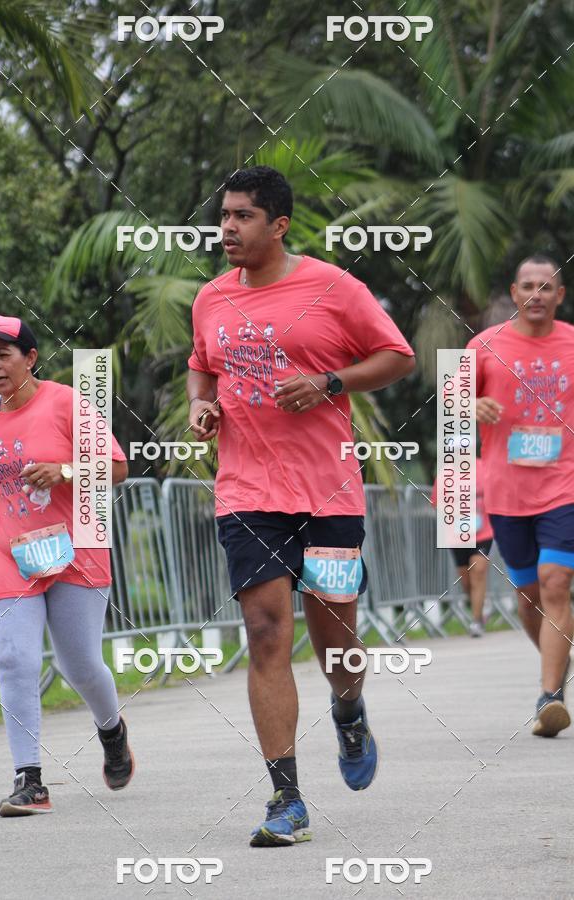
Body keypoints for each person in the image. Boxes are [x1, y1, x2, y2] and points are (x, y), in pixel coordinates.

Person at [187, 166, 415, 846]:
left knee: (334, 631)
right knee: (265, 631)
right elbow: (203, 363)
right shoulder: (210, 298)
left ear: (278, 225)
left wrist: (327, 382)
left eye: (243, 216)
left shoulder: (331, 287)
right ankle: (286, 797)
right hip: (248, 492)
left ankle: (348, 710)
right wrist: (201, 402)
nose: (227, 227)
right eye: (223, 215)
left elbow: (396, 356)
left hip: (330, 489)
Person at [0, 314, 134, 815]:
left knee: (79, 665)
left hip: (74, 547)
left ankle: (111, 730)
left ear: (31, 358)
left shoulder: (66, 401)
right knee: (15, 661)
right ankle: (30, 780)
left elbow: (118, 465)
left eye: (4, 355)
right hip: (8, 551)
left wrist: (65, 470)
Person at [468, 255, 574, 736]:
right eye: (528, 286)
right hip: (506, 491)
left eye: (546, 287)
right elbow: (449, 408)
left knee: (555, 583)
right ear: (514, 294)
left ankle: (550, 695)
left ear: (560, 295)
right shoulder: (483, 346)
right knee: (528, 597)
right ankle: (558, 658)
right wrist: (471, 405)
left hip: (563, 483)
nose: (537, 294)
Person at [431, 455, 494, 637]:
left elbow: (496, 491)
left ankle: (476, 621)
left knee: (479, 570)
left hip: (483, 530)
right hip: (456, 535)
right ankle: (480, 603)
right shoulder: (445, 474)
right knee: (466, 581)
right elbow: (436, 503)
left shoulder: (483, 467)